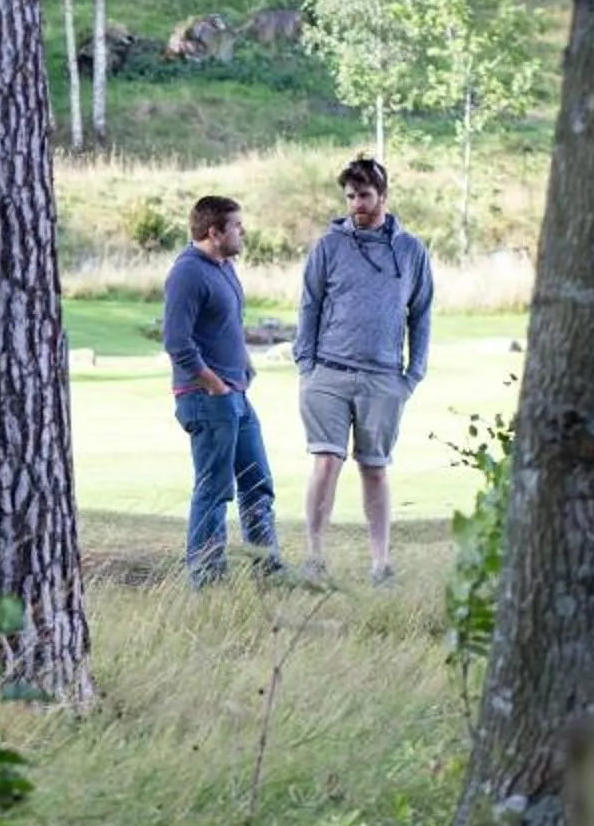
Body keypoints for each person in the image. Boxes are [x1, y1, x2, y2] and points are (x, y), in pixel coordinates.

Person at [294, 156, 435, 584]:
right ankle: (315, 557)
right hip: (328, 374)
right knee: (325, 463)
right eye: (351, 196)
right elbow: (309, 305)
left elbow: (422, 314)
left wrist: (412, 375)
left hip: (383, 378)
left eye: (365, 195)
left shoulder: (411, 251)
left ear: (383, 196)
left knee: (374, 468)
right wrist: (306, 366)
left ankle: (380, 564)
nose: (357, 204)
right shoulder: (329, 246)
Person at [163, 194, 281, 586]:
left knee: (258, 483)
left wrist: (243, 367)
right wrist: (213, 383)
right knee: (215, 492)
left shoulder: (224, 267)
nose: (242, 232)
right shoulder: (187, 273)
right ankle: (208, 580)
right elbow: (177, 342)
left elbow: (226, 325)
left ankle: (269, 572)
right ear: (214, 232)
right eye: (236, 226)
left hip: (237, 396)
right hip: (207, 399)